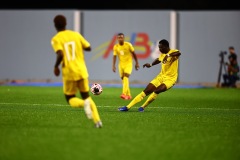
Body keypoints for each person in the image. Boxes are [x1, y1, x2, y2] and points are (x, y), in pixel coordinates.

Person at [50, 15, 102, 128]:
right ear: (66, 24)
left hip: (69, 73)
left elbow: (60, 54)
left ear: (55, 25)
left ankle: (84, 104)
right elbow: (88, 47)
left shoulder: (56, 39)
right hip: (82, 71)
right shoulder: (76, 35)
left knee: (70, 98)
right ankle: (97, 121)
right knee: (87, 96)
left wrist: (56, 66)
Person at [118, 39, 181, 112]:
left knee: (157, 90)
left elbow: (179, 53)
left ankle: (143, 107)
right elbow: (158, 60)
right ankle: (127, 107)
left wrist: (168, 55)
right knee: (146, 91)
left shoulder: (173, 52)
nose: (159, 49)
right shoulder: (162, 55)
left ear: (166, 46)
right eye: (159, 47)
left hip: (170, 79)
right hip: (160, 77)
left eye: (161, 47)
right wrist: (150, 65)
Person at [112, 33, 140, 100]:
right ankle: (129, 95)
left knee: (126, 76)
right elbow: (114, 56)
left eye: (121, 37)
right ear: (117, 39)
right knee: (124, 79)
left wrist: (137, 63)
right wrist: (113, 65)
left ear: (124, 38)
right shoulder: (116, 47)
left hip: (128, 64)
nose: (120, 38)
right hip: (121, 65)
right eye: (119, 37)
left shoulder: (128, 45)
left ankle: (124, 93)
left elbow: (134, 54)